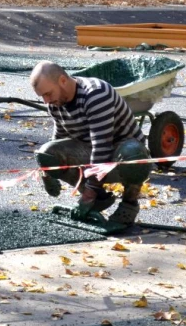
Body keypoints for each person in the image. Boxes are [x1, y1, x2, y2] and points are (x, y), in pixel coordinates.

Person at [29, 60, 152, 225]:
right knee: (47, 153)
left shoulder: (96, 94)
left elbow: (101, 146)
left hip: (119, 154)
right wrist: (48, 170)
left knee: (133, 152)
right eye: (42, 96)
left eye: (48, 94)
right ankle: (99, 198)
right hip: (91, 151)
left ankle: (129, 204)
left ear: (63, 81)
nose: (45, 101)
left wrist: (88, 196)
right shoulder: (56, 103)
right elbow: (59, 139)